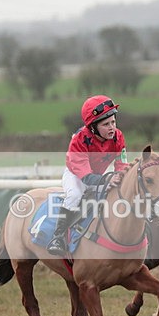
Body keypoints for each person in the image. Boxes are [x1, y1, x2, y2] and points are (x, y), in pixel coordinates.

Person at [47, 95, 129, 256]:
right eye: (106, 124)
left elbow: (122, 164)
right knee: (75, 194)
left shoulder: (118, 136)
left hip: (98, 173)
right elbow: (85, 175)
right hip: (76, 174)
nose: (112, 127)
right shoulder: (80, 139)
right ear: (92, 127)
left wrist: (121, 177)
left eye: (113, 122)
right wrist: (106, 179)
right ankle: (58, 236)